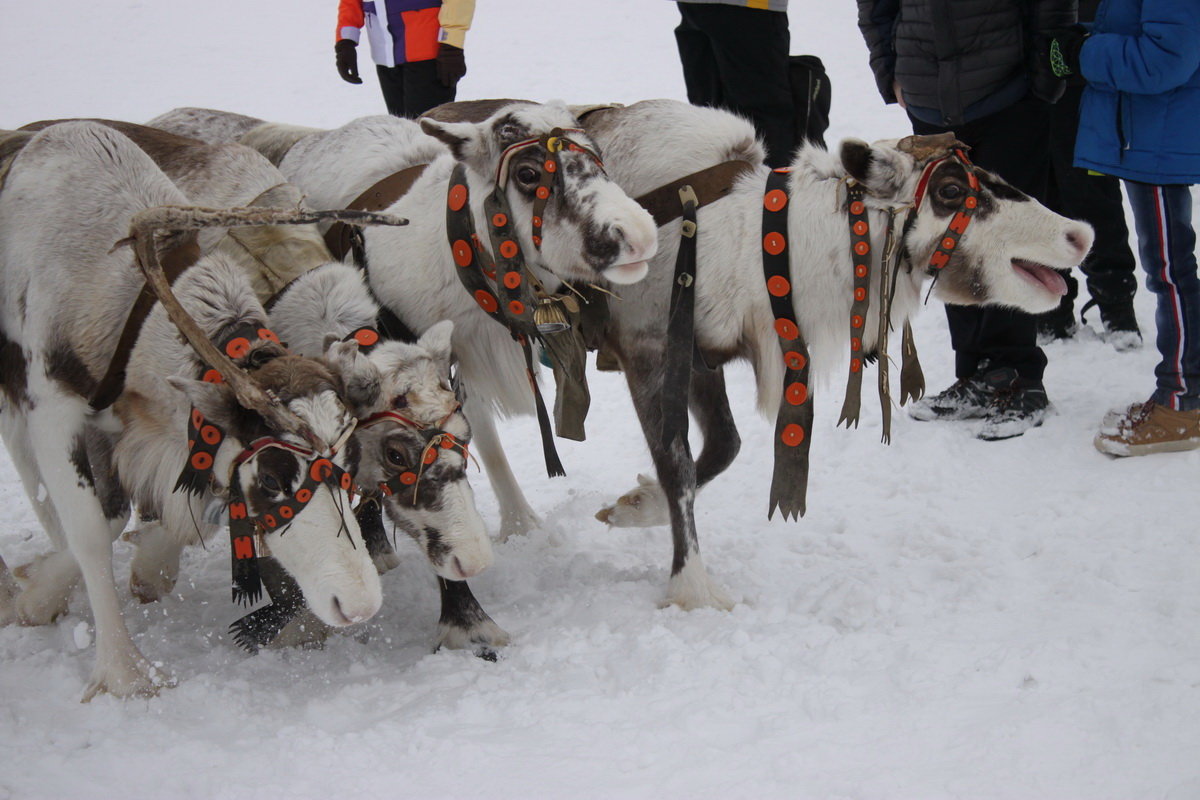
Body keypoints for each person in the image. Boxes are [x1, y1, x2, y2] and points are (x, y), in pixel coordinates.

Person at [857, 0, 1075, 441]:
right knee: (948, 238)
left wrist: (1045, 77)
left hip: (1008, 94)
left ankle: (1019, 378)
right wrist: (890, 68)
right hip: (929, 100)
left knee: (1005, 238)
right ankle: (976, 372)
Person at [1045, 0, 1200, 455]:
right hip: (1151, 133)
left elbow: (1166, 58)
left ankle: (1182, 401)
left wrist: (1084, 51)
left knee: (1170, 271)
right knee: (1169, 266)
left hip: (1159, 137)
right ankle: (1181, 391)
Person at [1036, 0, 1142, 351]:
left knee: (1092, 189)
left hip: (1085, 47)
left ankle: (1117, 304)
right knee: (1037, 192)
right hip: (1019, 57)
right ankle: (1051, 305)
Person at [671, 0, 796, 168]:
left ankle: (719, 189)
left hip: (695, 5)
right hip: (751, 7)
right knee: (762, 120)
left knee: (710, 113)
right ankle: (771, 191)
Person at [335, 0, 475, 119]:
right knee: (402, 138)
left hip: (429, 53)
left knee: (428, 138)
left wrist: (451, 44)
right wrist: (346, 42)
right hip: (385, 56)